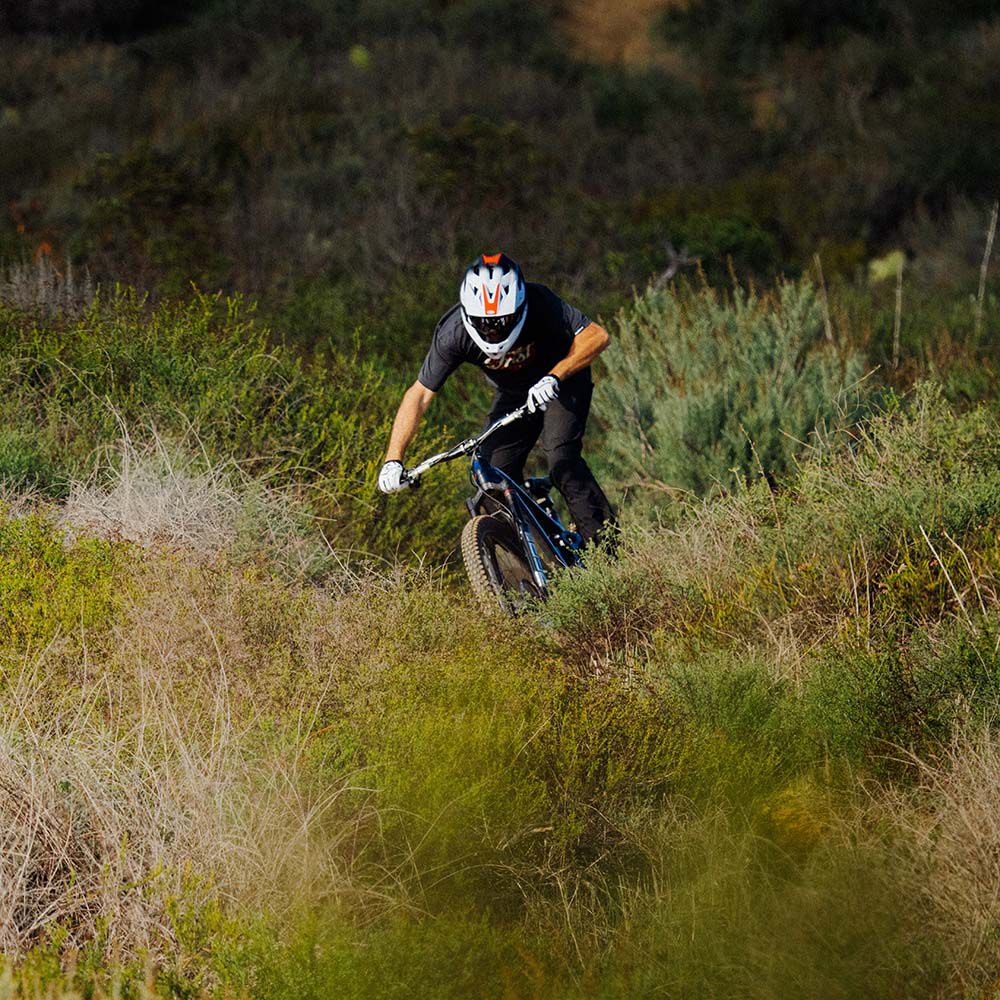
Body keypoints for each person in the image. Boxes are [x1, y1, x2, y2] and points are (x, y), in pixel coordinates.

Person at [377, 252, 616, 545]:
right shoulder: (453, 334)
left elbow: (596, 335)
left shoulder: (539, 302)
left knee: (560, 457)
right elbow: (420, 394)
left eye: (503, 321)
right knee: (490, 472)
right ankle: (528, 561)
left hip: (563, 380)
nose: (493, 330)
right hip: (516, 394)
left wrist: (555, 375)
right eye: (484, 323)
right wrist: (393, 459)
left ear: (519, 307)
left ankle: (606, 552)